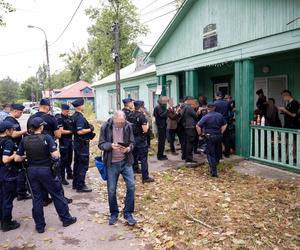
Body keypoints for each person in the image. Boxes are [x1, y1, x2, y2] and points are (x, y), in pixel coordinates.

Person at [15, 117, 76, 233]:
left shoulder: (25, 140)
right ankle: (66, 219)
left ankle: (40, 226)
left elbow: (17, 158)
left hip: (32, 171)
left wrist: (28, 156)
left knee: (37, 198)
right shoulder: (47, 137)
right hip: (46, 170)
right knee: (56, 195)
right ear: (41, 127)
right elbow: (55, 155)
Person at [98, 111, 137, 226]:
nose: (121, 124)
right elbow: (101, 144)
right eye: (119, 122)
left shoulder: (128, 125)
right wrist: (110, 146)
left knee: (131, 186)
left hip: (126, 161)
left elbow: (132, 142)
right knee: (111, 190)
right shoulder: (105, 126)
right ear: (114, 119)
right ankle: (114, 213)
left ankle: (128, 213)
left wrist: (128, 149)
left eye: (122, 122)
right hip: (112, 163)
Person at [27, 99, 61, 206]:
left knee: (38, 179)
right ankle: (59, 199)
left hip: (33, 149)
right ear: (47, 106)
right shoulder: (51, 118)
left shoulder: (31, 118)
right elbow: (58, 135)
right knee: (54, 174)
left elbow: (29, 133)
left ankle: (44, 199)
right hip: (49, 149)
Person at [4, 104, 31, 201]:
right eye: (20, 112)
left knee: (19, 170)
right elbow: (13, 134)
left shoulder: (13, 120)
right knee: (20, 171)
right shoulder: (8, 121)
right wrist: (25, 131)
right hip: (12, 149)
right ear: (14, 111)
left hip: (16, 148)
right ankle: (21, 192)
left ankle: (19, 191)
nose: (21, 114)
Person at [196, 103, 227, 177]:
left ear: (207, 108)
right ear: (214, 108)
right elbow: (225, 124)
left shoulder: (206, 116)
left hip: (210, 136)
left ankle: (214, 172)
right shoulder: (220, 115)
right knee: (217, 151)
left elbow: (198, 126)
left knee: (210, 154)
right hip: (218, 136)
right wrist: (221, 132)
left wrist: (200, 134)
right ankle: (216, 164)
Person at [0, 121, 20, 232]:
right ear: (7, 131)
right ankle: (7, 223)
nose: (13, 131)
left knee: (2, 197)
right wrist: (15, 154)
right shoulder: (8, 142)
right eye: (12, 129)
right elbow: (5, 159)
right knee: (7, 199)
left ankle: (2, 219)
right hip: (7, 172)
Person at [128, 101, 154, 183]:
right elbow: (145, 130)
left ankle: (131, 176)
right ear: (141, 107)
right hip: (141, 139)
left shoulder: (130, 115)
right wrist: (148, 124)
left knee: (132, 158)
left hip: (132, 139)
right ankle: (145, 177)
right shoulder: (142, 116)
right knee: (143, 159)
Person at [71, 99, 94, 193]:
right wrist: (89, 129)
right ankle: (80, 186)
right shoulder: (79, 117)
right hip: (82, 144)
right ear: (79, 106)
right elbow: (80, 131)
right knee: (83, 165)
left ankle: (75, 183)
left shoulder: (74, 116)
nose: (84, 106)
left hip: (77, 143)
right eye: (83, 105)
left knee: (77, 163)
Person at [56, 104, 74, 185]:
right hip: (64, 141)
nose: (67, 112)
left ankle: (69, 174)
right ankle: (62, 177)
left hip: (70, 140)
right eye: (66, 111)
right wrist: (71, 132)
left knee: (70, 158)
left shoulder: (69, 117)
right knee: (64, 160)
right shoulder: (60, 119)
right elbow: (61, 131)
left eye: (68, 111)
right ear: (62, 110)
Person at [181, 96, 199, 164]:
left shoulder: (183, 106)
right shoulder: (188, 107)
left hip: (185, 126)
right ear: (188, 100)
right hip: (190, 127)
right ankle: (189, 159)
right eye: (192, 100)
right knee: (190, 143)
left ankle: (184, 156)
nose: (193, 102)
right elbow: (195, 116)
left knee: (185, 143)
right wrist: (197, 111)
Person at [214, 91, 231, 158]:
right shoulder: (227, 103)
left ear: (217, 96)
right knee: (227, 137)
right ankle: (227, 154)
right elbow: (231, 110)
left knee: (218, 138)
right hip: (226, 122)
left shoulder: (214, 103)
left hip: (218, 122)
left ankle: (219, 155)